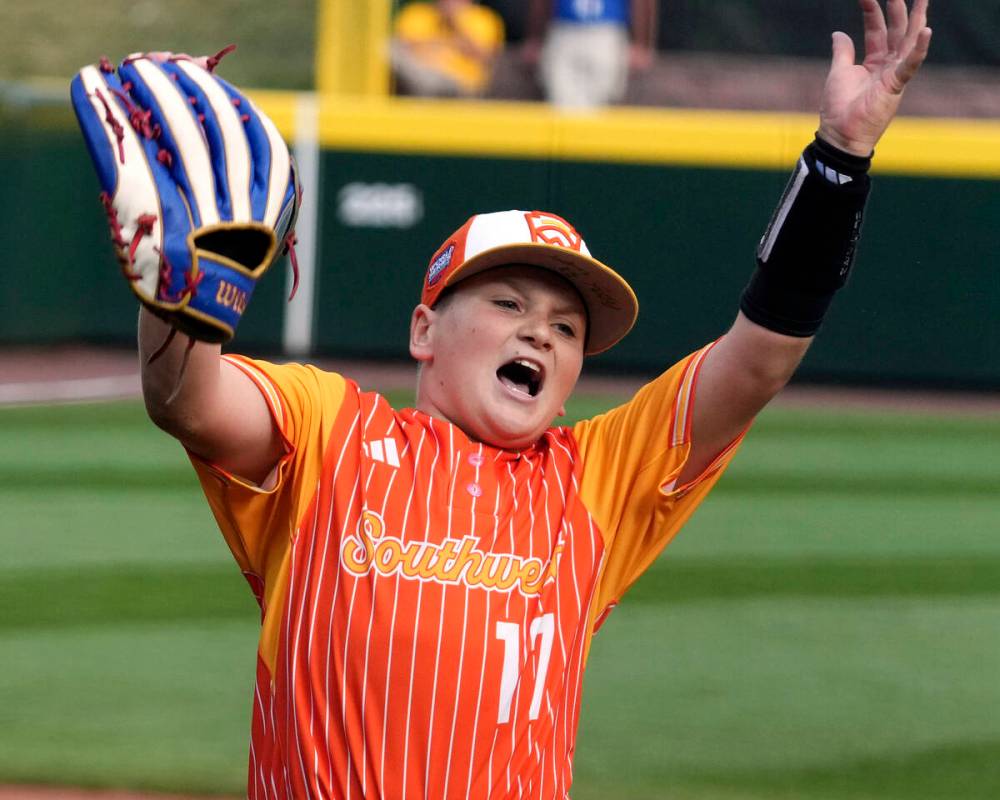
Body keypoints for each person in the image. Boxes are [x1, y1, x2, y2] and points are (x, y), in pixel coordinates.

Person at [91, 1, 931, 796]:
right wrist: (182, 301)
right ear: (424, 329)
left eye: (568, 329)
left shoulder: (596, 482)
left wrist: (839, 163)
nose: (540, 335)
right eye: (508, 305)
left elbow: (756, 364)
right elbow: (188, 401)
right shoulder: (330, 430)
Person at [524, 0, 657, 109]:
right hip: (565, 29)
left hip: (606, 31)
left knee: (605, 106)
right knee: (561, 107)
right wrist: (536, 39)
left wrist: (641, 43)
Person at [391, 0, 506, 97]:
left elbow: (486, 59)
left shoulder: (483, 19)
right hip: (418, 78)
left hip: (462, 85)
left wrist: (456, 23)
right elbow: (402, 51)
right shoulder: (418, 13)